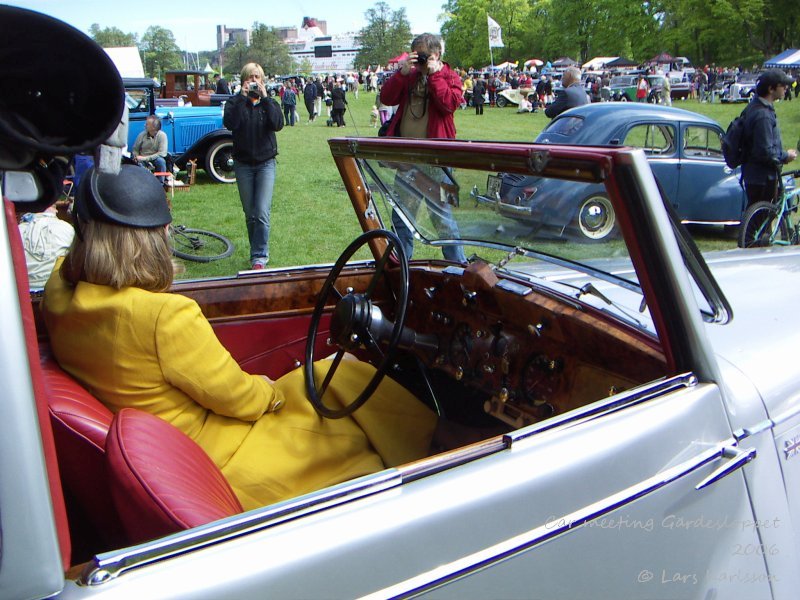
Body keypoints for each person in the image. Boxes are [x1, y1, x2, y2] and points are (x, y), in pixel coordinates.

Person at [39, 164, 437, 511]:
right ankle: (440, 454)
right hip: (225, 455)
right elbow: (238, 399)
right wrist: (270, 393)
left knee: (339, 372)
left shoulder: (60, 294)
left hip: (178, 449)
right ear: (151, 242)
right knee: (346, 386)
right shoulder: (160, 315)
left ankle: (429, 444)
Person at [379, 33, 467, 264]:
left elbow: (448, 104)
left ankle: (458, 267)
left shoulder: (450, 76)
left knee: (444, 220)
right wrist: (401, 74)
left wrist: (435, 74)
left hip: (439, 162)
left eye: (423, 55)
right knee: (401, 218)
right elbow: (386, 98)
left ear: (436, 54)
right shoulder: (409, 76)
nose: (418, 60)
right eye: (415, 55)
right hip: (407, 160)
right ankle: (400, 267)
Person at [223, 63, 284, 269]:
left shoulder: (269, 103)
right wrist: (242, 97)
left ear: (263, 80)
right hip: (243, 164)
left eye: (257, 77)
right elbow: (232, 123)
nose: (254, 81)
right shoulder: (234, 102)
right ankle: (255, 251)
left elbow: (277, 124)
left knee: (261, 210)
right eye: (250, 77)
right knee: (250, 212)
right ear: (243, 80)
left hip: (266, 163)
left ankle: (260, 255)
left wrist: (265, 98)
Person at [740, 69, 798, 208]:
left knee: (759, 222)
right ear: (771, 89)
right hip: (762, 178)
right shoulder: (763, 115)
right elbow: (765, 151)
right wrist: (786, 155)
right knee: (761, 222)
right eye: (782, 85)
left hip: (755, 175)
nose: (786, 88)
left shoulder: (754, 107)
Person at [17, 204, 75, 288]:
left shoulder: (17, 230)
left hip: (22, 289)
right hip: (56, 288)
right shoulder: (68, 229)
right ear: (54, 210)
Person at [131, 114, 168, 182]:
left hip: (155, 158)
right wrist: (136, 157)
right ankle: (144, 183)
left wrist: (146, 158)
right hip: (142, 159)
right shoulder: (142, 135)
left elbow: (162, 153)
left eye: (147, 124)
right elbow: (135, 149)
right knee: (138, 165)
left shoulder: (162, 136)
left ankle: (160, 185)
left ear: (153, 127)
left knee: (161, 161)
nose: (145, 125)